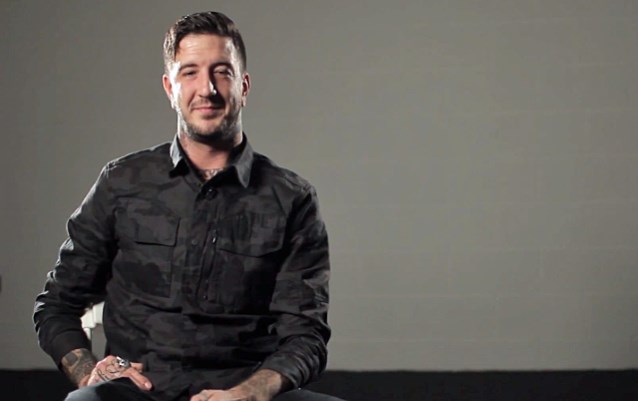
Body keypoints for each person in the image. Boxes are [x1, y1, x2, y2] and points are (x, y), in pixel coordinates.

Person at [34, 11, 343, 401]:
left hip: (242, 393)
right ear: (170, 87)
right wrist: (88, 373)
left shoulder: (292, 199)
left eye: (222, 72)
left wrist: (250, 393)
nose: (207, 89)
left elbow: (306, 336)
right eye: (190, 72)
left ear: (244, 86)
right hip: (138, 392)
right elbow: (57, 305)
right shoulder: (122, 182)